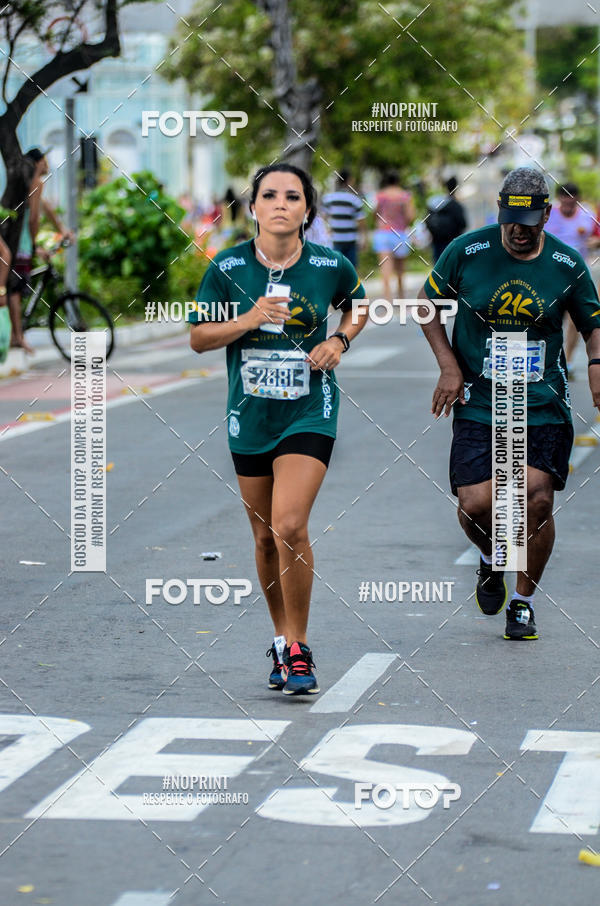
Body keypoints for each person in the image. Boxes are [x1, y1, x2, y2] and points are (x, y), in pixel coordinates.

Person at [188, 163, 368, 694]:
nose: (281, 205)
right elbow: (198, 338)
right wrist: (250, 318)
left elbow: (358, 308)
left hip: (309, 409)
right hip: (250, 415)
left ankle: (299, 647)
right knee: (265, 537)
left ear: (308, 210)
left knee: (289, 524)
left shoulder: (329, 264)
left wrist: (338, 341)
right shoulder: (228, 267)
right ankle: (280, 637)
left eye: (293, 197)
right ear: (253, 207)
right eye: (269, 195)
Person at [418, 166, 600, 641]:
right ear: (500, 211)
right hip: (480, 400)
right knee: (476, 505)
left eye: (529, 222)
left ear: (546, 215)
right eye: (510, 220)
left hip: (541, 401)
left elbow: (592, 325)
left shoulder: (565, 264)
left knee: (536, 501)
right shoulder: (467, 251)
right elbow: (426, 306)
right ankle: (491, 558)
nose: (519, 231)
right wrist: (449, 366)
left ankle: (522, 602)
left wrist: (596, 369)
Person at [8, 148, 72, 352]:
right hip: (21, 244)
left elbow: (46, 208)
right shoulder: (36, 183)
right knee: (15, 289)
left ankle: (15, 334)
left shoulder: (25, 183)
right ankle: (17, 337)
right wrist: (35, 246)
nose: (47, 164)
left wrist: (62, 229)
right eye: (44, 160)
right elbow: (34, 218)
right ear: (37, 163)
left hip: (13, 240)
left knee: (15, 285)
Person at [546, 183, 596, 373]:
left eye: (572, 198)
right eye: (565, 198)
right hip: (552, 274)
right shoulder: (549, 214)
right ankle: (550, 357)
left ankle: (567, 360)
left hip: (577, 275)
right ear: (560, 198)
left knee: (574, 320)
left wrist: (592, 242)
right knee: (551, 316)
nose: (568, 202)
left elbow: (596, 237)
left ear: (577, 199)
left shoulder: (587, 215)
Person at [372, 171, 415, 299]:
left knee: (385, 269)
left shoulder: (381, 195)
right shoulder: (405, 196)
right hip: (399, 234)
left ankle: (387, 299)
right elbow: (410, 216)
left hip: (383, 234)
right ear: (398, 181)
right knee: (400, 270)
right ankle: (401, 298)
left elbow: (375, 213)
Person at [321, 169, 365, 266]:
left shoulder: (328, 199)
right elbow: (361, 221)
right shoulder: (354, 200)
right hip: (351, 240)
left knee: (335, 267)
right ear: (349, 180)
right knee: (351, 269)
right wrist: (363, 238)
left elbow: (323, 218)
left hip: (334, 239)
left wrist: (327, 229)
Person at [425, 176, 467, 262]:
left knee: (438, 263)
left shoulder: (434, 202)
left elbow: (427, 219)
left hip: (437, 241)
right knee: (452, 263)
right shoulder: (456, 205)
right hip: (453, 242)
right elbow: (463, 223)